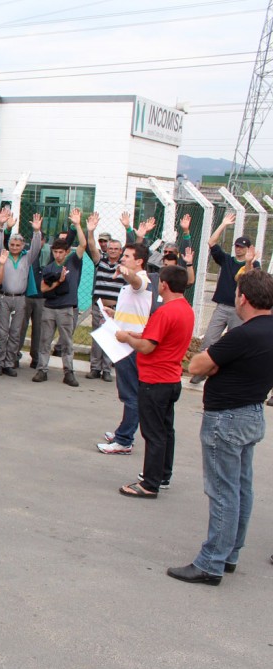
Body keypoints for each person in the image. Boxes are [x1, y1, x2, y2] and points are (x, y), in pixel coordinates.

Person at [167, 269, 273, 584]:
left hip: (227, 417)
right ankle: (229, 553)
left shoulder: (243, 334)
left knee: (223, 491)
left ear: (244, 298)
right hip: (252, 412)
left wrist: (214, 365)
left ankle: (212, 561)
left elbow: (198, 364)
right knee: (241, 487)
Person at [115, 265, 194, 498]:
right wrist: (137, 335)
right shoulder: (185, 309)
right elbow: (157, 337)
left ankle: (150, 484)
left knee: (153, 433)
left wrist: (126, 337)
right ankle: (163, 474)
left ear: (165, 285)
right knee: (166, 430)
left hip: (155, 380)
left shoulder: (165, 312)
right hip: (171, 378)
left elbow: (147, 347)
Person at [190, 211, 260, 384]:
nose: (238, 249)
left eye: (242, 247)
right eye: (237, 246)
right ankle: (202, 371)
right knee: (209, 338)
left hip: (240, 309)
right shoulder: (227, 260)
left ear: (248, 249)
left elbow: (249, 277)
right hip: (222, 306)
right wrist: (223, 224)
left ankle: (229, 373)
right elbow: (211, 243)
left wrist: (249, 261)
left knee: (235, 341)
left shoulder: (253, 265)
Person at [96, 242, 152, 455]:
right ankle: (123, 431)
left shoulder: (141, 280)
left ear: (139, 261)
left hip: (131, 346)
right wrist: (114, 314)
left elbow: (136, 281)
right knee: (128, 393)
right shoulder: (127, 286)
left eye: (127, 256)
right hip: (124, 344)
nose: (122, 259)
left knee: (131, 395)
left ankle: (124, 440)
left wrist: (125, 271)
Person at [34, 208, 86, 387]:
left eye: (61, 252)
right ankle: (42, 369)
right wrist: (58, 282)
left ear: (66, 252)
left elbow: (83, 245)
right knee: (45, 339)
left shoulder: (73, 261)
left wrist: (78, 225)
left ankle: (69, 372)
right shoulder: (49, 267)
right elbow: (42, 288)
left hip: (65, 308)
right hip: (50, 307)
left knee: (66, 342)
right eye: (55, 252)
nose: (58, 255)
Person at [0, 212, 43, 376]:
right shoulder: (3, 255)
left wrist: (37, 231)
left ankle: (9, 363)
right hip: (3, 297)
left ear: (22, 246)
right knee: (1, 332)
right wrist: (0, 226)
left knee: (15, 332)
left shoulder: (27, 258)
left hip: (21, 299)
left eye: (17, 245)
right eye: (12, 244)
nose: (14, 247)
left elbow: (36, 247)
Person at [85, 216, 124, 381]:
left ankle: (107, 369)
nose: (113, 250)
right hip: (99, 306)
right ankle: (95, 368)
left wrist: (128, 228)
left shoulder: (124, 265)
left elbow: (136, 245)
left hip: (115, 309)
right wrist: (91, 230)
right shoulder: (99, 261)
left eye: (116, 248)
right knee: (98, 336)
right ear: (107, 249)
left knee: (111, 338)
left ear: (121, 251)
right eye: (110, 248)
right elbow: (92, 246)